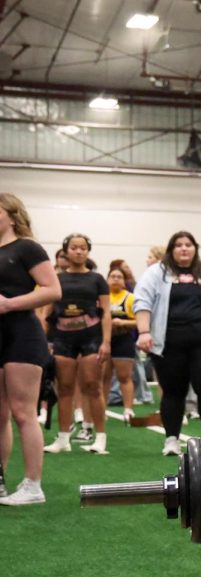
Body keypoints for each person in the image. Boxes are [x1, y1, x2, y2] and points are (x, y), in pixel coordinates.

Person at [133, 231, 201, 456]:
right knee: (173, 392)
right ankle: (171, 439)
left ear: (195, 248)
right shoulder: (156, 273)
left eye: (188, 244)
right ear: (171, 250)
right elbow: (142, 302)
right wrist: (144, 332)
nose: (184, 248)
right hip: (168, 345)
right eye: (178, 245)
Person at [0, 193, 60, 506]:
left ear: (12, 215)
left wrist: (9, 304)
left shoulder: (27, 247)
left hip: (22, 335)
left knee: (24, 412)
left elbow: (53, 289)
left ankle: (33, 485)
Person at [43, 233, 112, 455]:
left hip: (91, 336)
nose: (79, 251)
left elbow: (107, 313)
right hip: (63, 337)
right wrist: (46, 341)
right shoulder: (56, 278)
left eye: (83, 248)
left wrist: (106, 342)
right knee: (64, 388)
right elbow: (47, 312)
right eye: (74, 248)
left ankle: (100, 437)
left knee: (93, 386)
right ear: (66, 251)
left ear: (88, 251)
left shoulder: (97, 279)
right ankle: (63, 438)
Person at [103, 260, 138, 422]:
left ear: (124, 281)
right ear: (107, 279)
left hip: (124, 340)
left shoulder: (130, 298)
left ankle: (128, 409)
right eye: (113, 276)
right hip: (104, 340)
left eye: (119, 277)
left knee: (124, 376)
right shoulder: (102, 297)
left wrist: (123, 323)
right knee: (104, 376)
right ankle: (101, 408)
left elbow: (140, 321)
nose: (116, 279)